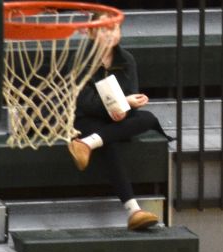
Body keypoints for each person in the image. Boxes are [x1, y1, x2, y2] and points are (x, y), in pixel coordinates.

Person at [67, 16, 169, 231]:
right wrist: (121, 104)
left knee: (149, 118)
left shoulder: (127, 59)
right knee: (108, 142)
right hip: (86, 118)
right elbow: (84, 103)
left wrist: (128, 105)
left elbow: (131, 94)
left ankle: (86, 144)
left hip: (118, 118)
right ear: (92, 32)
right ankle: (134, 210)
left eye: (114, 29)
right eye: (103, 29)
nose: (110, 34)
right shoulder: (80, 60)